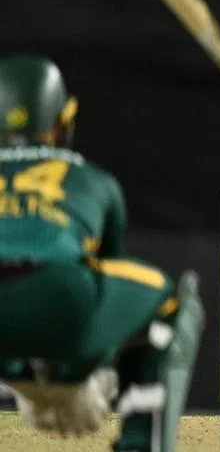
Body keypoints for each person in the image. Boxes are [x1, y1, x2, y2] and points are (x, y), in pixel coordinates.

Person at [0, 54, 204, 452]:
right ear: (61, 122)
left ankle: (25, 371)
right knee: (168, 299)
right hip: (58, 299)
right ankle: (139, 441)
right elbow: (108, 286)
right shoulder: (94, 179)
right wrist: (78, 374)